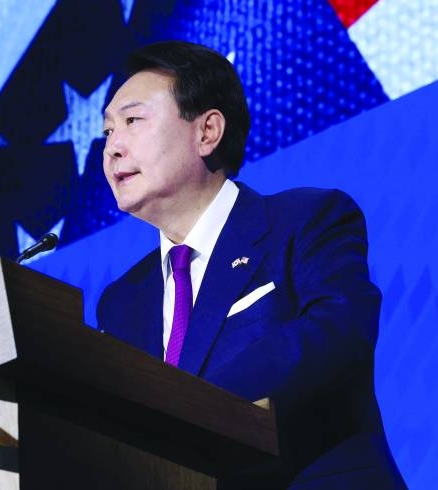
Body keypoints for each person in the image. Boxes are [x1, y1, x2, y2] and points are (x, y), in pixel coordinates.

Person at [96, 40, 405, 488]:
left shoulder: (305, 221)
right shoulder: (122, 301)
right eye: (107, 132)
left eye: (132, 121)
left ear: (207, 132)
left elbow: (338, 334)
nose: (112, 149)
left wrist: (179, 410)